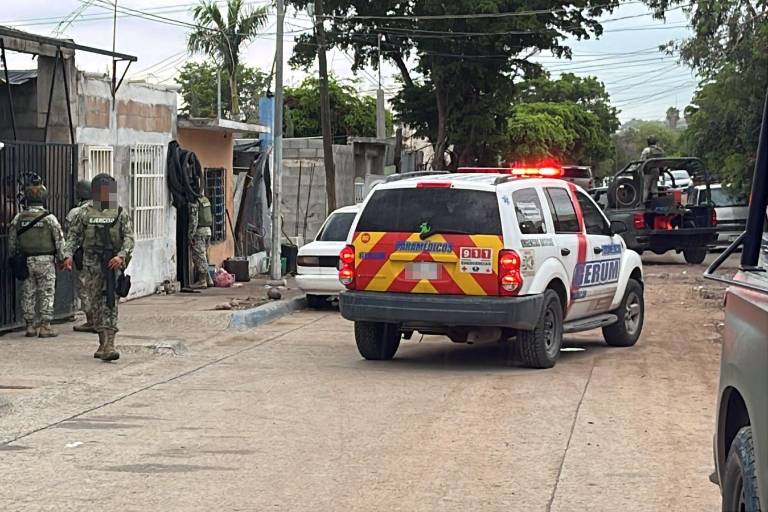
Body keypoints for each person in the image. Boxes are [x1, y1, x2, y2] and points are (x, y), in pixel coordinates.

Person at [63, 174, 134, 361]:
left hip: (112, 263)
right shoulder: (84, 213)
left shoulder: (119, 213)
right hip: (91, 263)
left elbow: (129, 238)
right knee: (95, 303)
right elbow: (73, 237)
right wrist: (67, 255)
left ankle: (110, 343)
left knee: (110, 301)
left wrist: (122, 256)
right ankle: (102, 342)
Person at [8, 175, 65, 338]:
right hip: (46, 261)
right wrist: (62, 258)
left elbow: (12, 242)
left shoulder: (19, 218)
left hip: (26, 261)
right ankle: (45, 326)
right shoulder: (49, 218)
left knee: (28, 292)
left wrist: (15, 258)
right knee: (46, 292)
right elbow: (59, 240)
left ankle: (29, 326)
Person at [64, 179, 95, 333]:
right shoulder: (105, 209)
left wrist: (66, 255)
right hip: (102, 257)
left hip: (83, 256)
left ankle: (92, 320)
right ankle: (101, 319)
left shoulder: (76, 212)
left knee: (84, 288)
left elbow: (70, 235)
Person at [188, 188, 214, 289]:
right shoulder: (205, 200)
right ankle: (209, 279)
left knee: (199, 257)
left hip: (199, 232)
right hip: (208, 231)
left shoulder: (195, 203)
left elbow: (194, 221)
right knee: (204, 256)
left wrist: (190, 235)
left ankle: (202, 281)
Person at [640, 135, 665, 202]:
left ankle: (644, 203)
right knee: (654, 188)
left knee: (646, 188)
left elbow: (642, 160)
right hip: (657, 170)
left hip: (648, 171)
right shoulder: (659, 150)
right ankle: (655, 203)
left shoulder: (646, 150)